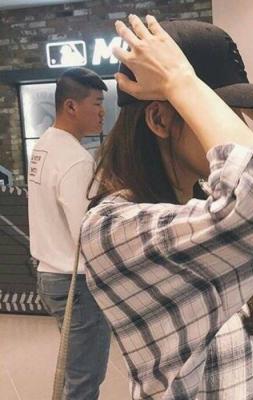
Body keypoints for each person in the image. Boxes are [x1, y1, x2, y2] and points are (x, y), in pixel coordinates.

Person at [80, 15, 253, 399]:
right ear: (159, 119)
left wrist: (240, 94)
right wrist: (184, 84)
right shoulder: (113, 229)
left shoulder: (207, 200)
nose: (240, 130)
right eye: (223, 111)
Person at [28, 67, 111, 400]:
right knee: (84, 380)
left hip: (50, 274)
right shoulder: (76, 160)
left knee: (75, 373)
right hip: (76, 282)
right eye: (97, 103)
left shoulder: (44, 146)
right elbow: (86, 233)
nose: (103, 112)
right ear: (71, 106)